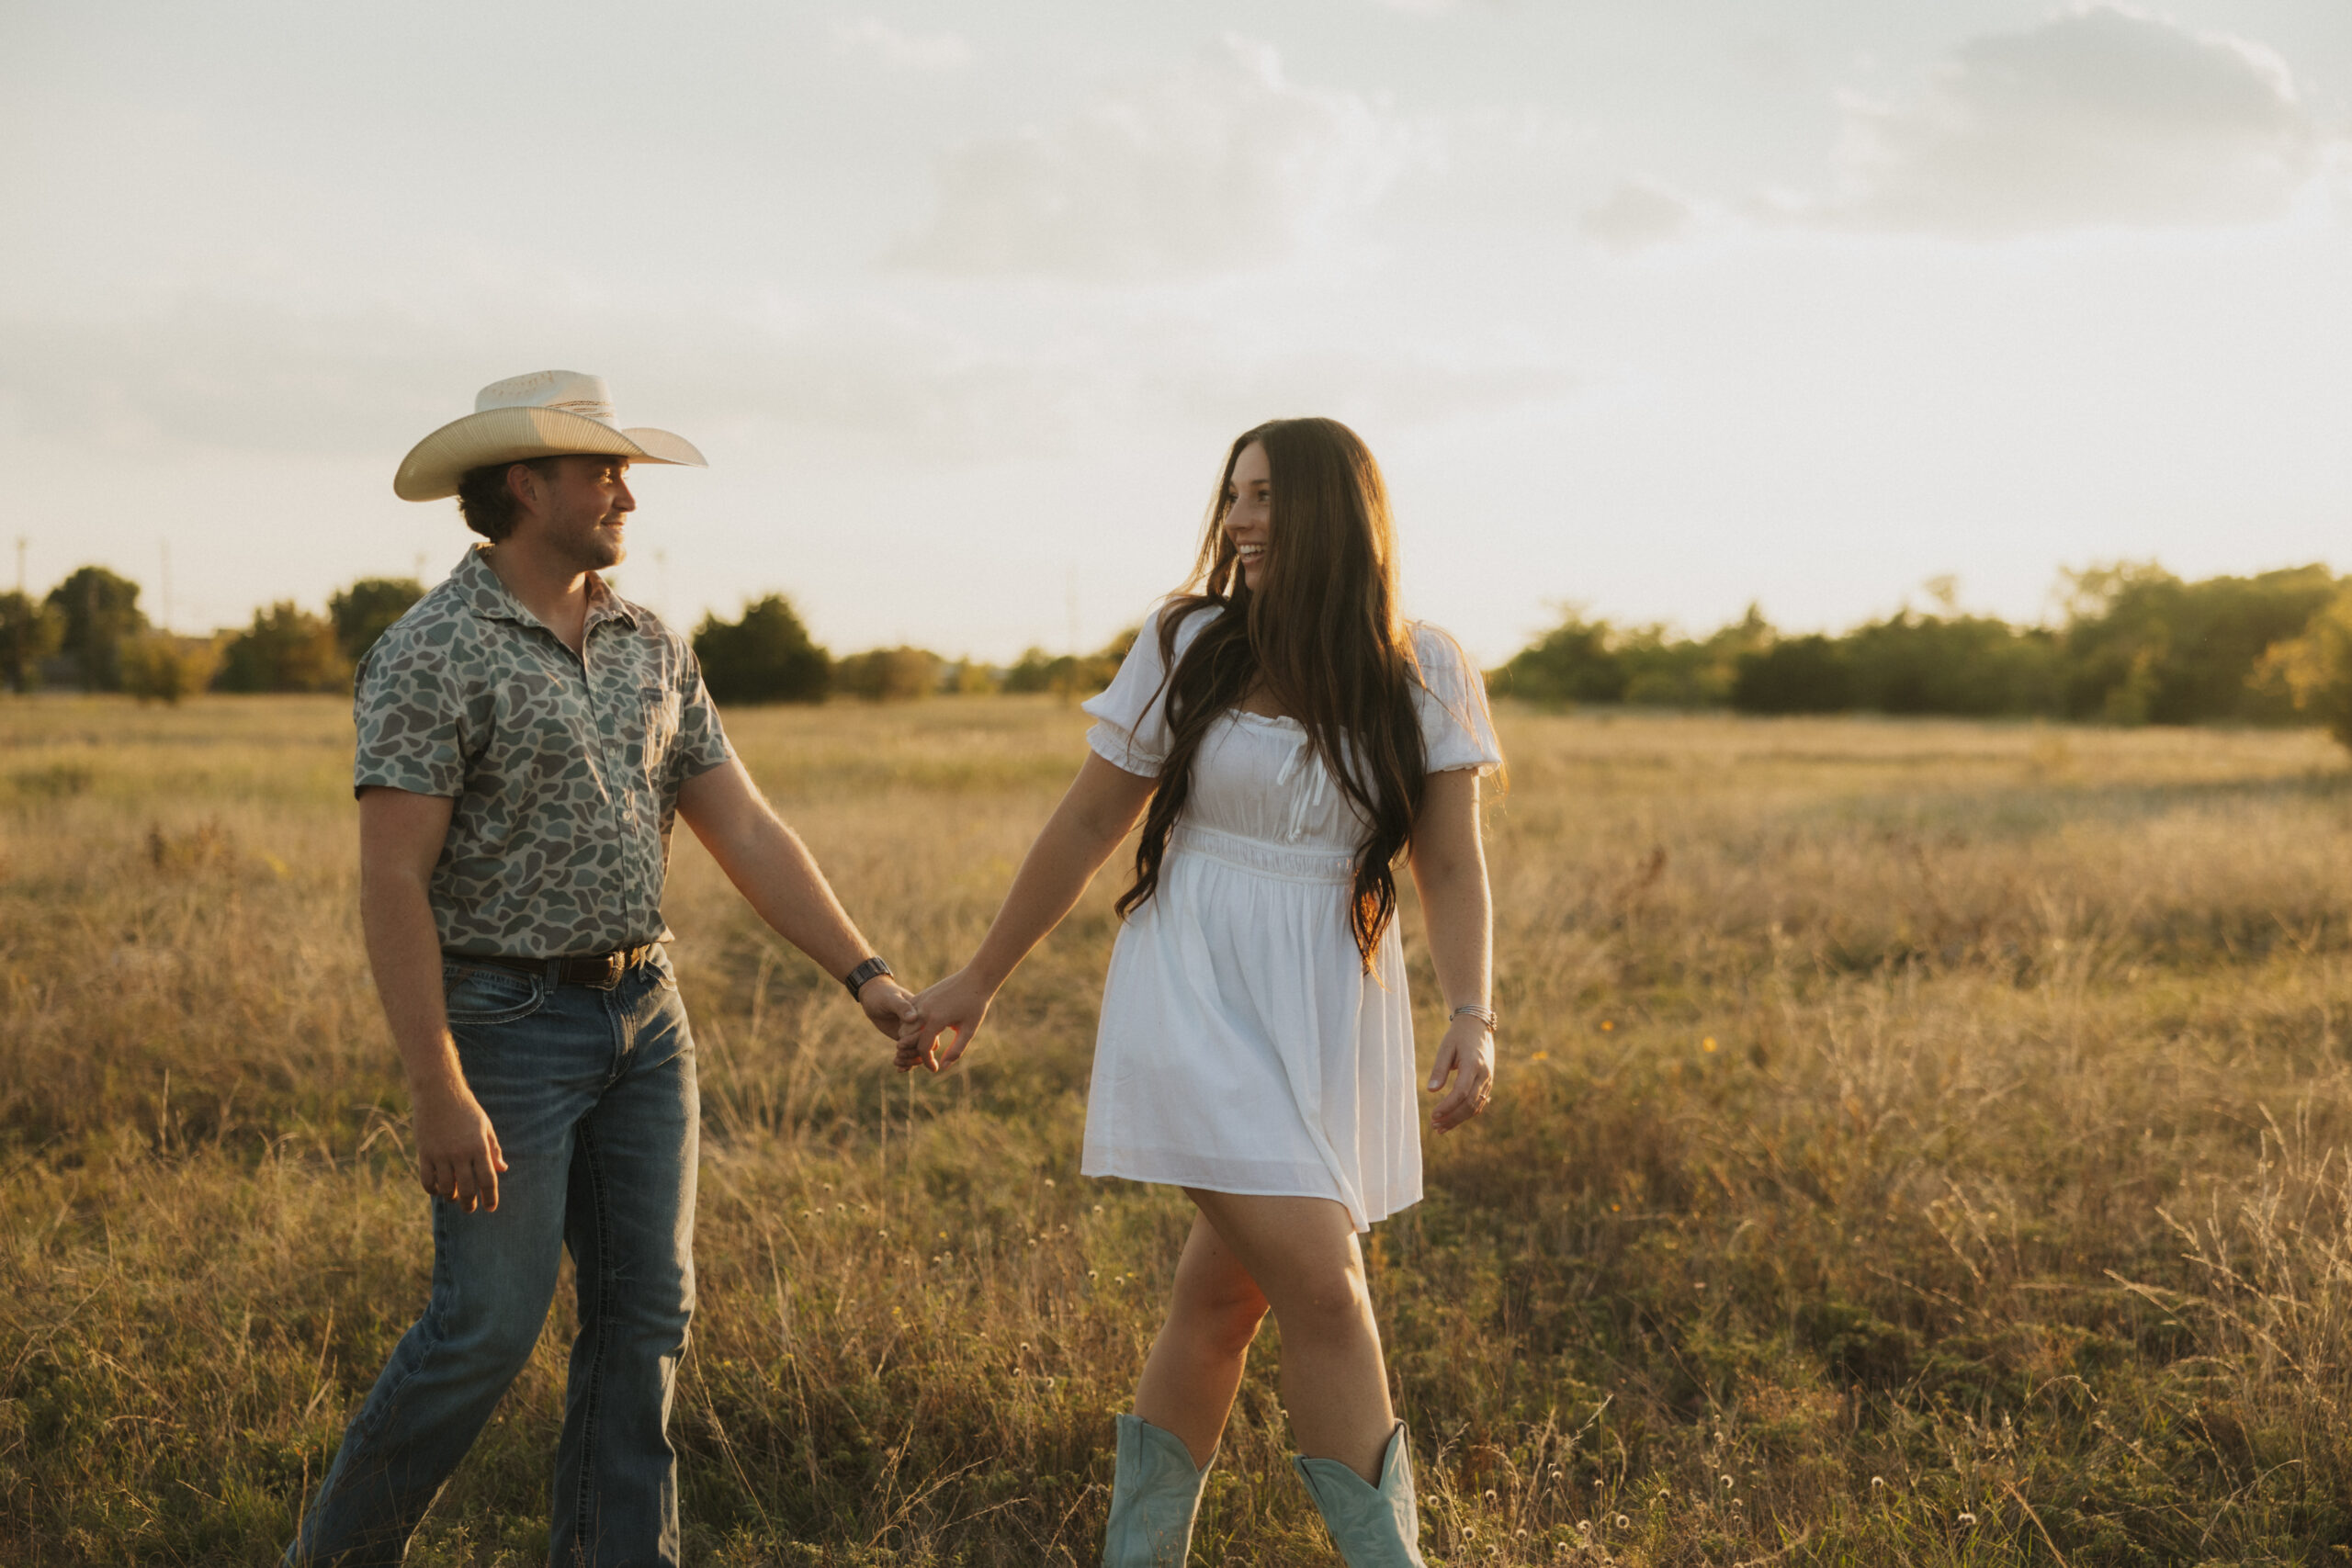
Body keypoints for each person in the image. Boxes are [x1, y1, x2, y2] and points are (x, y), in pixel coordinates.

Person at [286, 370, 917, 1567]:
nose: (627, 491)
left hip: (645, 1017)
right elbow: (391, 880)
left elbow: (747, 827)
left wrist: (866, 971)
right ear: (526, 483)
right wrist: (438, 1081)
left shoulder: (650, 643)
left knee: (646, 1318)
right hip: (502, 1024)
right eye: (602, 469)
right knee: (484, 1323)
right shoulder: (431, 651)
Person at [899, 417, 1501, 1567]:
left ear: (1334, 510)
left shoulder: (1423, 665)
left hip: (1327, 1002)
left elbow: (1452, 863)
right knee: (1327, 1292)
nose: (1239, 521)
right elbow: (1087, 819)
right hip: (1192, 987)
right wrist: (978, 978)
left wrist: (1474, 1014)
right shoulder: (1189, 642)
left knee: (1224, 1303)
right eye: (1233, 497)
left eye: (1265, 497)